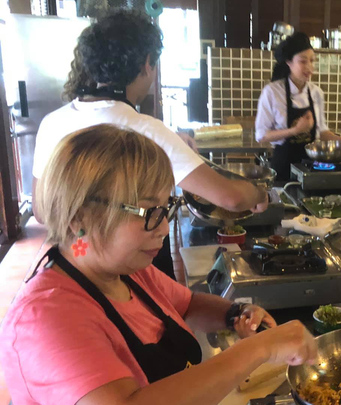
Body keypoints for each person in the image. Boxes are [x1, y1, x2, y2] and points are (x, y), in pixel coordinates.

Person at [0, 124, 316, 405]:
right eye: (148, 213)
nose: (164, 228)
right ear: (80, 217)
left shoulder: (128, 270)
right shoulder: (45, 318)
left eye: (166, 209)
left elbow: (185, 306)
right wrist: (262, 348)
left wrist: (234, 314)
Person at [31, 10, 269, 279]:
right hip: (136, 271)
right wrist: (259, 194)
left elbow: (41, 211)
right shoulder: (147, 130)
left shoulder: (53, 122)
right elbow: (230, 198)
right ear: (146, 64)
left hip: (76, 264)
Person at [255, 33, 341, 182]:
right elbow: (261, 135)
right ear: (289, 62)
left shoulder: (316, 93)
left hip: (311, 167)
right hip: (283, 167)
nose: (310, 67)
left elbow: (321, 132)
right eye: (303, 62)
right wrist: (295, 130)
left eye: (312, 61)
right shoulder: (272, 92)